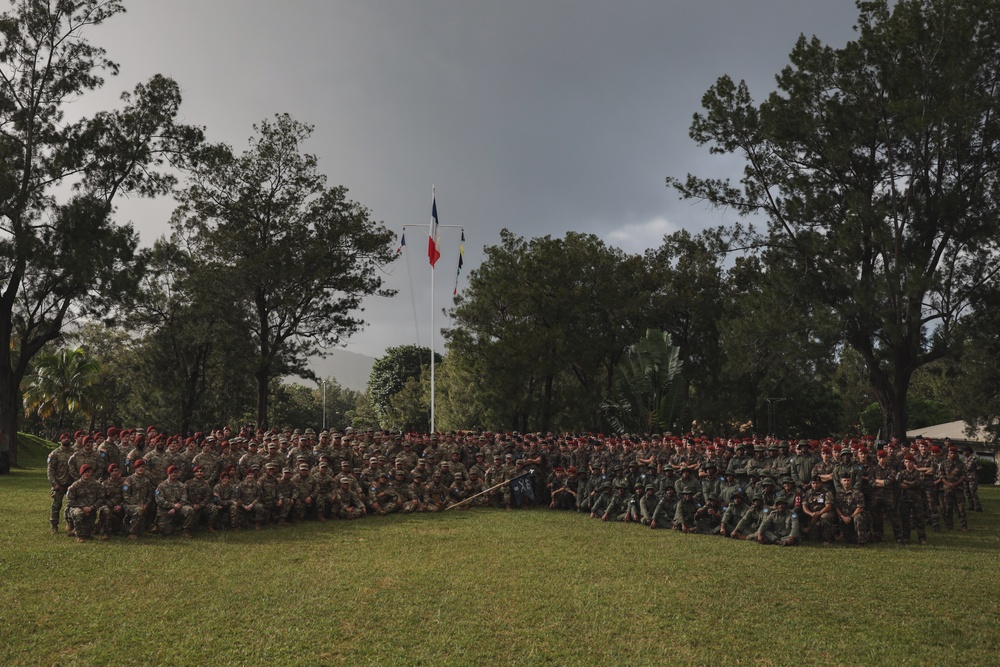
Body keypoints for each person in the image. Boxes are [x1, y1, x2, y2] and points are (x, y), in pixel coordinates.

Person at [46, 433, 76, 534]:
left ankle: (70, 523)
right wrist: (54, 483)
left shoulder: (75, 452)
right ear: (60, 440)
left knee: (71, 505)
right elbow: (50, 470)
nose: (66, 439)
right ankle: (54, 525)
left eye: (68, 438)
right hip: (59, 484)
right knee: (56, 505)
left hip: (71, 484)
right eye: (64, 438)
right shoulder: (55, 453)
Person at [66, 464, 103, 543]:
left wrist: (92, 507)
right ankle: (79, 536)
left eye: (89, 472)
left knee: (88, 533)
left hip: (91, 508)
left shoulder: (97, 485)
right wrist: (82, 507)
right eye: (85, 472)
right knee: (79, 514)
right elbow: (69, 500)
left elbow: (101, 499)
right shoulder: (75, 485)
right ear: (81, 473)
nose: (87, 474)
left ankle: (77, 531)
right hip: (77, 508)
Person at [123, 459, 156, 539]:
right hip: (130, 505)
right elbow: (126, 496)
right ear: (135, 468)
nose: (141, 469)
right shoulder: (129, 480)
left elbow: (149, 495)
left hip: (143, 505)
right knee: (139, 510)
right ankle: (132, 533)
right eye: (139, 467)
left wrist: (146, 504)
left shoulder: (146, 481)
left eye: (143, 467)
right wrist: (138, 504)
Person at [834, 473, 869, 547]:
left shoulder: (858, 493)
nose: (846, 482)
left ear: (851, 481)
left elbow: (860, 508)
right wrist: (843, 517)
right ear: (841, 481)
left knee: (858, 517)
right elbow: (836, 507)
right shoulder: (838, 493)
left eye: (848, 480)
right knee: (849, 540)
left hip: (854, 516)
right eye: (845, 480)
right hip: (844, 518)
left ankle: (861, 542)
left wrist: (851, 517)